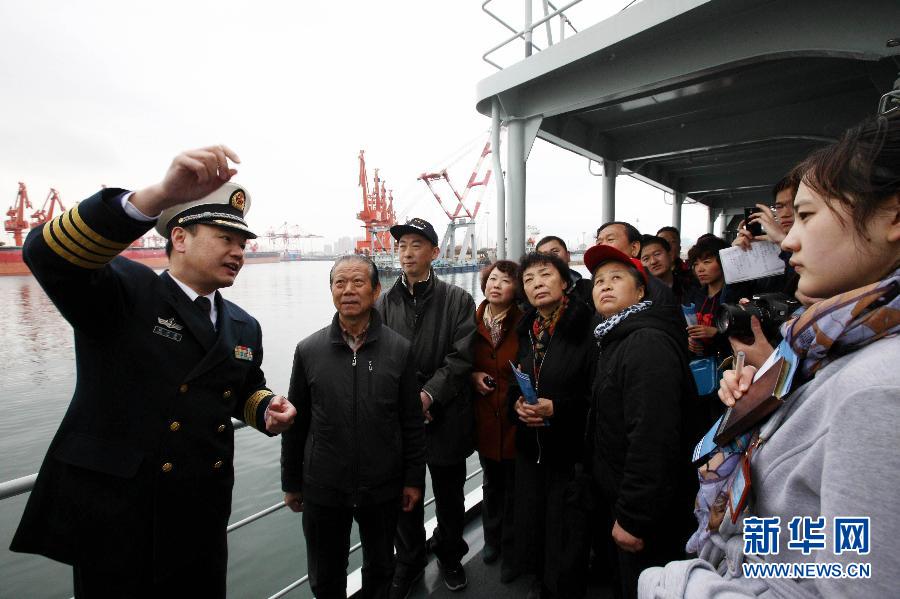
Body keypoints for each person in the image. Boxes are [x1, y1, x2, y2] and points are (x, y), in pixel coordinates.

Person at [10, 146, 297, 598]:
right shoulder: (124, 291)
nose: (238, 252)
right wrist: (158, 194)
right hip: (121, 519)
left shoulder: (244, 324)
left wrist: (265, 409)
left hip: (201, 513)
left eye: (243, 243)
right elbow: (45, 252)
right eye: (225, 238)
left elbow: (242, 388)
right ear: (179, 238)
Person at [639, 115, 900, 598]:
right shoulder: (829, 347)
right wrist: (767, 386)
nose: (789, 241)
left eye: (805, 216)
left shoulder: (880, 391)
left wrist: (677, 584)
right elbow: (824, 541)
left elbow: (853, 584)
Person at [281, 255, 426, 599]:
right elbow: (295, 424)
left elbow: (411, 423)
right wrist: (291, 482)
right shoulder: (309, 350)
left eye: (358, 282)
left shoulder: (399, 350)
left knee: (381, 567)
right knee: (325, 572)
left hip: (383, 485)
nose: (348, 290)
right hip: (324, 487)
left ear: (376, 290)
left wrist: (412, 480)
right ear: (331, 291)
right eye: (339, 283)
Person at [583, 244, 697, 599]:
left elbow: (654, 438)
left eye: (617, 278)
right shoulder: (616, 338)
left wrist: (633, 516)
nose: (604, 285)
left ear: (641, 291)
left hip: (649, 516)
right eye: (599, 280)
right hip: (623, 497)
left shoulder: (645, 342)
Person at [376, 218, 476, 596]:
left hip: (446, 415)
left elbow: (461, 358)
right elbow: (380, 359)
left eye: (416, 244)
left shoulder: (458, 300)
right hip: (403, 421)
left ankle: (450, 554)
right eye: (401, 245)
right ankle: (411, 560)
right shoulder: (384, 302)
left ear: (434, 253)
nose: (405, 251)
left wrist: (428, 395)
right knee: (405, 498)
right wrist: (408, 401)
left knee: (450, 496)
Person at [510, 251, 597, 599]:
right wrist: (517, 404)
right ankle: (541, 583)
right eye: (528, 280)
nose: (536, 284)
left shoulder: (587, 328)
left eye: (544, 276)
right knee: (535, 524)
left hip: (569, 451)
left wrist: (556, 409)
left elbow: (597, 396)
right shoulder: (527, 330)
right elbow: (518, 380)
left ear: (564, 283)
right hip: (531, 449)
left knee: (567, 531)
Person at [470, 260, 523, 582]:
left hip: (516, 420)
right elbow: (457, 361)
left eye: (504, 280)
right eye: (491, 279)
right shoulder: (470, 322)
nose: (496, 284)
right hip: (484, 423)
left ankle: (513, 550)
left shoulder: (524, 323)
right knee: (491, 486)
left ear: (516, 289)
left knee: (518, 491)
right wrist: (471, 375)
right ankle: (491, 541)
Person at [683, 237, 733, 423]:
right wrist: (690, 341)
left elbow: (746, 334)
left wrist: (717, 333)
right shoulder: (696, 296)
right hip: (701, 370)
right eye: (696, 264)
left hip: (726, 372)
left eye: (707, 262)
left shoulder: (733, 296)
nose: (700, 269)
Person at [535, 235, 592, 308]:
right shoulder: (534, 291)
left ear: (568, 255)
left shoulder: (587, 287)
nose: (550, 257)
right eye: (543, 255)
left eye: (555, 251)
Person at [640, 234, 697, 306]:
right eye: (646, 259)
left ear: (670, 255)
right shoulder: (640, 294)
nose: (653, 261)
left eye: (657, 254)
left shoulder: (689, 287)